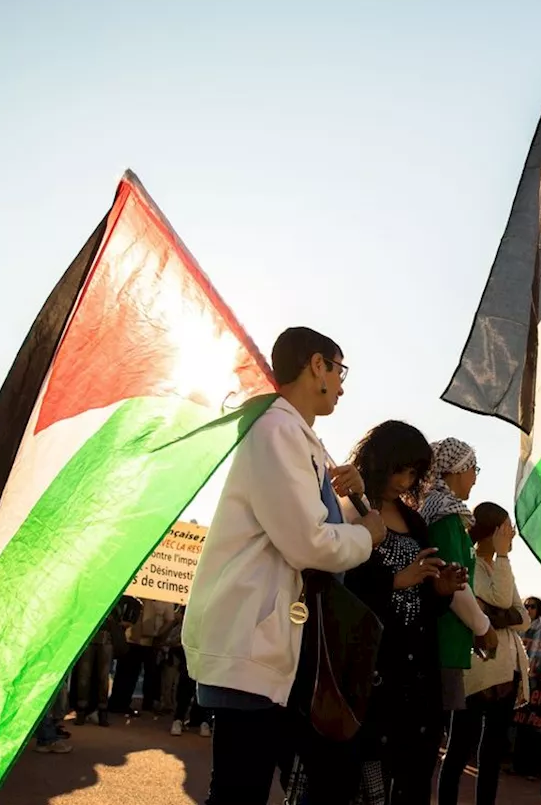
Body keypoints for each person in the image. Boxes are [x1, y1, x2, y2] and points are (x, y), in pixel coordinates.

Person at [182, 327, 387, 805]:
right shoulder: (277, 430)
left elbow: (316, 524)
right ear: (316, 364)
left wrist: (353, 504)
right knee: (239, 791)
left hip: (269, 645)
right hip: (252, 640)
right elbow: (310, 543)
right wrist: (369, 535)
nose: (341, 384)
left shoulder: (299, 437)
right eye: (339, 370)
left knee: (246, 788)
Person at [439, 502, 530, 805]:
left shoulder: (501, 567)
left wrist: (493, 616)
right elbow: (503, 600)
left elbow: (523, 617)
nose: (512, 534)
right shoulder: (471, 562)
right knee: (458, 749)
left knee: (491, 754)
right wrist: (501, 555)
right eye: (506, 529)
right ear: (493, 531)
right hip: (475, 672)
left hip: (506, 671)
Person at [421, 438, 493, 714]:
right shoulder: (444, 515)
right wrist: (483, 627)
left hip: (445, 641)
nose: (475, 477)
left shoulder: (441, 511)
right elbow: (454, 584)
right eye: (474, 468)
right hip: (441, 642)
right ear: (456, 470)